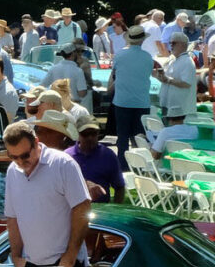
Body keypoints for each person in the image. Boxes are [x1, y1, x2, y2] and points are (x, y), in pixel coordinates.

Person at [1, 117, 92, 267]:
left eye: (25, 155)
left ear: (36, 143)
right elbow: (12, 218)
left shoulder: (62, 164)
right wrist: (16, 257)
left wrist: (70, 256)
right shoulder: (13, 171)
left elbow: (82, 208)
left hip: (65, 265)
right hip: (31, 265)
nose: (20, 162)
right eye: (13, 157)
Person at [108, 23, 156, 154]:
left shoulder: (120, 55)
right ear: (142, 40)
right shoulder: (148, 57)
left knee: (122, 137)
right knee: (140, 137)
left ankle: (122, 165)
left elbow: (114, 74)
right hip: (141, 102)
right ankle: (140, 164)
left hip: (122, 101)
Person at [67, 120, 127, 202]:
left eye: (93, 133)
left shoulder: (108, 155)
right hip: (73, 207)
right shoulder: (67, 156)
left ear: (98, 133)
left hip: (101, 209)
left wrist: (116, 209)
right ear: (78, 134)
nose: (90, 138)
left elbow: (119, 187)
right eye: (85, 134)